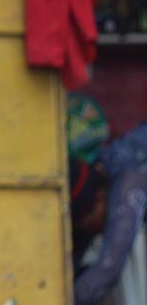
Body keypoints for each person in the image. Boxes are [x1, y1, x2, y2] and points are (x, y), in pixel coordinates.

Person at [70, 122, 147, 305]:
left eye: (86, 222)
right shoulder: (102, 165)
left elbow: (108, 269)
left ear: (100, 197)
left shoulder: (128, 188)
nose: (89, 229)